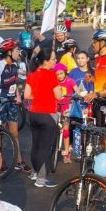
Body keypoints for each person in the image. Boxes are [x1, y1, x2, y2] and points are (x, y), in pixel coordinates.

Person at [0, 39, 31, 172]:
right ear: (9, 52)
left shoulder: (16, 65)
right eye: (15, 50)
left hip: (12, 101)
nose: (18, 52)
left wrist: (18, 95)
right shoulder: (0, 65)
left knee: (14, 132)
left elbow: (14, 83)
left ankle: (19, 161)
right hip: (0, 102)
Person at [24, 45, 63, 187]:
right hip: (48, 114)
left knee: (36, 145)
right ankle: (41, 179)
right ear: (45, 61)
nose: (55, 61)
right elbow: (58, 95)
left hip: (33, 113)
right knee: (45, 148)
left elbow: (27, 95)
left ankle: (35, 172)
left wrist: (38, 95)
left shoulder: (32, 73)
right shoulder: (51, 75)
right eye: (53, 59)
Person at [84, 30, 106, 127]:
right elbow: (102, 80)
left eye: (95, 42)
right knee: (98, 134)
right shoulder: (98, 58)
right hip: (97, 101)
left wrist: (96, 94)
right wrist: (93, 79)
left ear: (102, 43)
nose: (93, 45)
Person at [54, 63, 78, 164]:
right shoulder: (54, 82)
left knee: (65, 131)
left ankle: (67, 152)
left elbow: (77, 90)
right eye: (57, 74)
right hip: (55, 107)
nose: (59, 76)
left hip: (66, 108)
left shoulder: (70, 81)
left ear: (65, 73)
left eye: (61, 73)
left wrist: (77, 94)